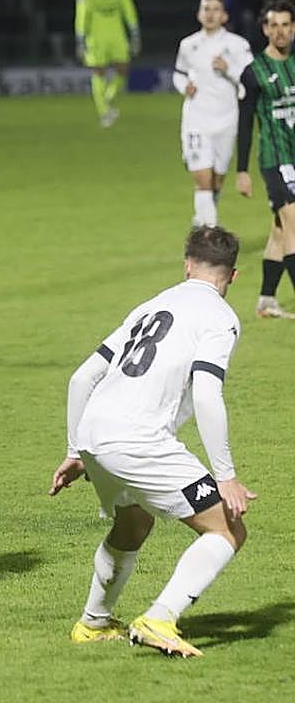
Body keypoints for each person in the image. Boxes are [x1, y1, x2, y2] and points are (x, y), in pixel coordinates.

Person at [51, 226, 254, 658]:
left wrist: (74, 451)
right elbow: (205, 392)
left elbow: (81, 377)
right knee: (228, 528)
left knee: (133, 523)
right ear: (233, 276)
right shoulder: (220, 317)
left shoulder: (153, 304)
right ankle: (160, 617)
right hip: (137, 438)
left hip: (92, 433)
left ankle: (93, 623)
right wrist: (227, 477)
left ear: (187, 264)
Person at [235, 0, 295, 319]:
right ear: (265, 29)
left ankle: (267, 300)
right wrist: (242, 170)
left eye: (286, 24)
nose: (281, 31)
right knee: (294, 226)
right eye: (274, 25)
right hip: (275, 160)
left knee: (281, 232)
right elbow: (245, 122)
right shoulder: (254, 72)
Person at [172, 0, 253, 227]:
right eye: (206, 9)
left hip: (227, 120)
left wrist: (229, 69)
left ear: (225, 15)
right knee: (203, 179)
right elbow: (179, 74)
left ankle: (203, 219)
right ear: (199, 14)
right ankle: (209, 233)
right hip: (196, 119)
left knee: (217, 181)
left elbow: (250, 80)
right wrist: (183, 87)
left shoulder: (237, 45)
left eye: (216, 9)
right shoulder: (188, 45)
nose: (210, 13)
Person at [74, 0, 140, 128]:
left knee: (123, 69)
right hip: (95, 33)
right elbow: (82, 12)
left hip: (116, 31)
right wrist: (80, 37)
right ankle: (104, 112)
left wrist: (134, 30)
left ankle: (108, 98)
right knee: (99, 71)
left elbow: (127, 6)